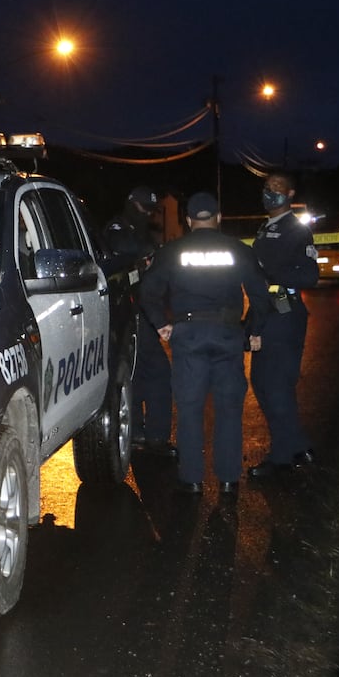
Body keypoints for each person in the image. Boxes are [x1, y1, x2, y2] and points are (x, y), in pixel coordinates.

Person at [140, 191, 271, 495]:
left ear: (187, 221)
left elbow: (148, 292)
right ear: (219, 218)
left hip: (188, 334)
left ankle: (192, 479)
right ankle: (227, 480)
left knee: (189, 408)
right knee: (228, 408)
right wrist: (250, 330)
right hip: (228, 334)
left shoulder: (173, 251)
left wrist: (161, 325)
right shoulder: (237, 250)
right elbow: (261, 297)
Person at [247, 170, 320, 479]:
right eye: (267, 187)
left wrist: (269, 272)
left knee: (274, 386)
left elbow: (309, 276)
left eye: (277, 188)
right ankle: (298, 445)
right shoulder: (266, 228)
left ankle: (281, 458)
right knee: (264, 384)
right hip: (267, 313)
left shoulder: (295, 229)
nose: (269, 193)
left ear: (290, 195)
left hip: (284, 314)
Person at [104, 186, 175, 456]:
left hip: (142, 310)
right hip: (126, 311)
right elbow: (124, 252)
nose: (147, 214)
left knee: (138, 372)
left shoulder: (144, 232)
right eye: (144, 209)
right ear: (132, 205)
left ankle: (139, 432)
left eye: (151, 210)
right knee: (153, 371)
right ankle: (152, 436)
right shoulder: (117, 229)